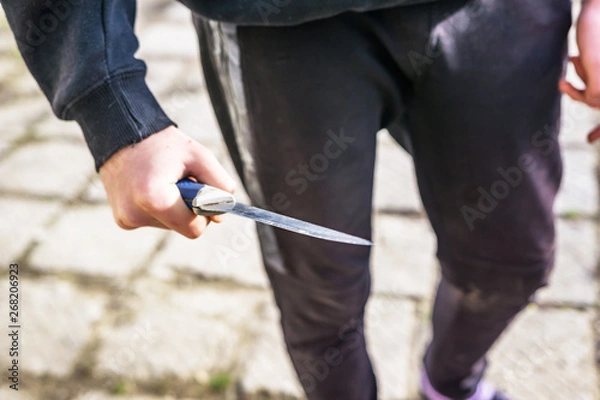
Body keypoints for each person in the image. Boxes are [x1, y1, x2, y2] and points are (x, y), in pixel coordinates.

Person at [2, 0, 599, 399]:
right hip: (275, 24)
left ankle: (450, 384)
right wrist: (110, 104)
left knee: (512, 261)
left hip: (504, 13)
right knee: (320, 291)